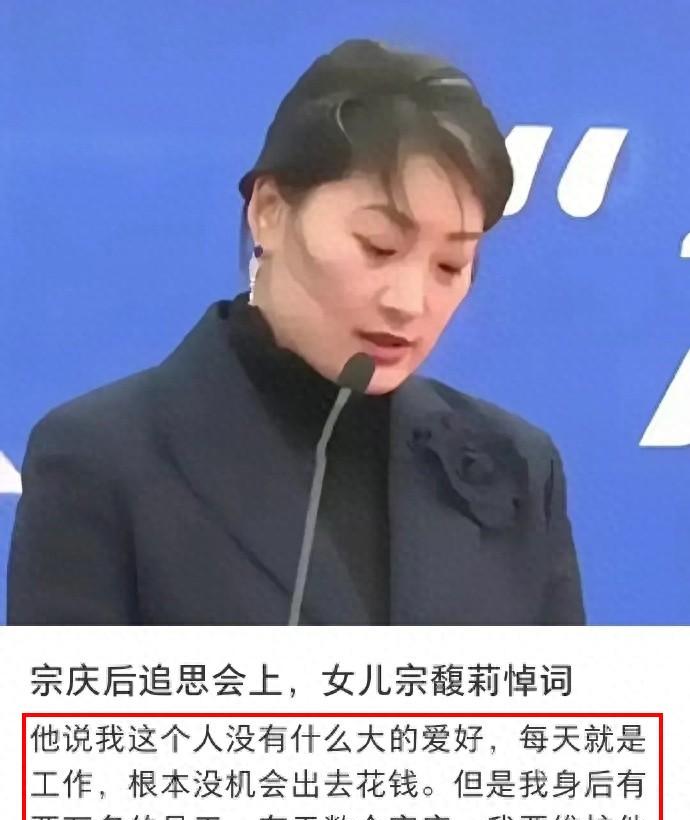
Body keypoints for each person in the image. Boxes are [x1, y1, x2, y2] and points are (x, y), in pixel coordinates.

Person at [6, 38, 585, 625]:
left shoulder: (517, 465)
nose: (409, 303)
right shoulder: (101, 459)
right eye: (378, 247)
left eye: (450, 265)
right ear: (270, 211)